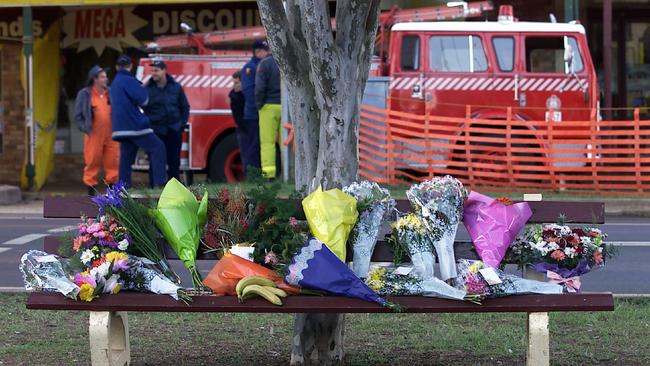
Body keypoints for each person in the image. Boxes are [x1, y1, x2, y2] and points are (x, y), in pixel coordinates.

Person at [110, 55, 167, 188]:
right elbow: (144, 100)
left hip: (120, 128)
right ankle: (160, 185)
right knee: (158, 147)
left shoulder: (115, 82)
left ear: (117, 67)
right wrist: (143, 88)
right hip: (134, 126)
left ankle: (123, 189)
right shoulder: (129, 80)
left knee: (126, 158)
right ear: (130, 66)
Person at [73, 65, 120, 195]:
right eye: (103, 77)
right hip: (93, 134)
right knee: (92, 162)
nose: (106, 79)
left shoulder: (111, 92)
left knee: (113, 163)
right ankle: (91, 195)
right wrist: (85, 128)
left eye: (105, 76)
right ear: (95, 79)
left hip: (111, 134)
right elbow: (77, 116)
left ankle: (112, 196)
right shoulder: (85, 94)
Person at [143, 60, 190, 182]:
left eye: (156, 70)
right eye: (152, 70)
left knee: (174, 163)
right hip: (156, 131)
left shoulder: (176, 87)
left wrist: (181, 125)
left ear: (164, 70)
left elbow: (185, 107)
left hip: (173, 130)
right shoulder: (147, 89)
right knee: (155, 162)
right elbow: (142, 109)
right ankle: (154, 190)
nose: (153, 73)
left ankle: (174, 191)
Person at [239, 40, 269, 175]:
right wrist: (259, 107)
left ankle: (260, 173)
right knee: (253, 145)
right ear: (257, 52)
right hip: (253, 114)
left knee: (262, 144)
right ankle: (253, 175)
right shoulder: (250, 68)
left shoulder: (262, 65)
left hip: (261, 112)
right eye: (264, 50)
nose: (267, 52)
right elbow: (249, 91)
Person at [255, 53, 282, 179]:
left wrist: (259, 104)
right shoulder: (288, 60)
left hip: (268, 107)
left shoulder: (265, 64)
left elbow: (260, 88)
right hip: (287, 108)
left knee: (267, 143)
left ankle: (269, 174)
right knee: (286, 143)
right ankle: (288, 174)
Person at [229, 70, 247, 168]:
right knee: (244, 152)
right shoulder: (234, 96)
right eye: (233, 83)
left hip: (250, 125)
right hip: (241, 127)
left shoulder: (248, 94)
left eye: (236, 83)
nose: (234, 85)